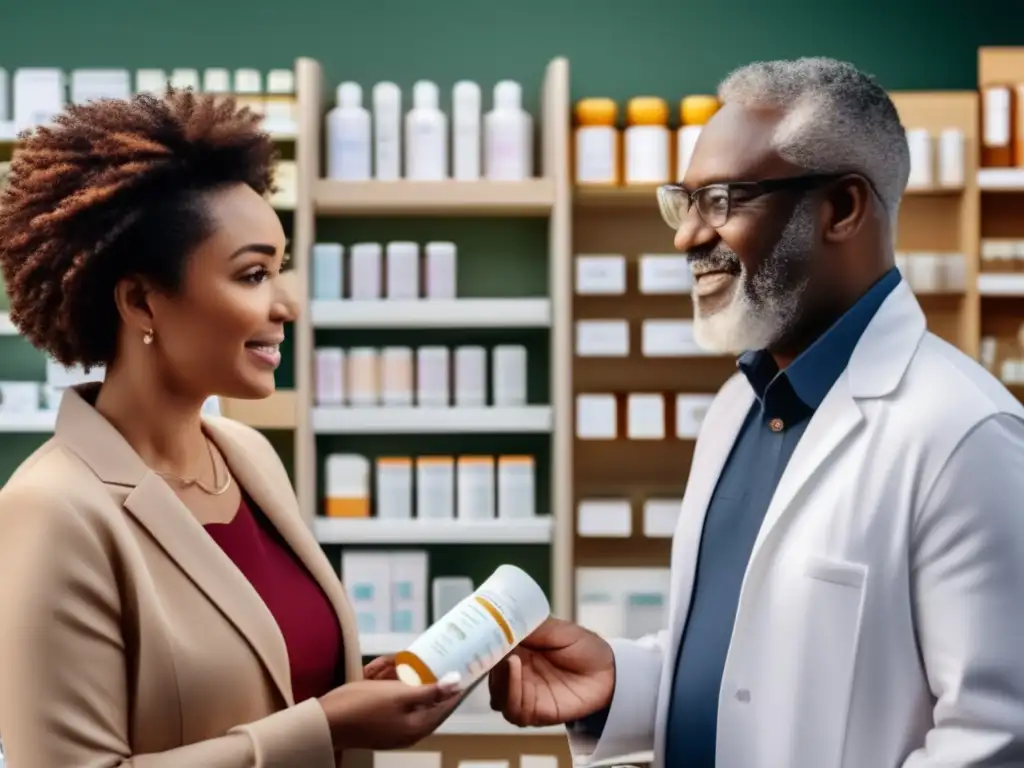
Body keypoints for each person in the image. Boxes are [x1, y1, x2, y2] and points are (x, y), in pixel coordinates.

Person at [488, 57, 1024, 767]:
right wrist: (625, 682)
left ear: (841, 208)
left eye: (723, 200)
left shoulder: (963, 436)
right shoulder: (741, 402)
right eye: (685, 202)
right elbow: (758, 667)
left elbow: (995, 739)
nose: (686, 237)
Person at [0, 89, 460, 768]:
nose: (288, 304)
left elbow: (269, 677)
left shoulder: (247, 455)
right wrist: (322, 727)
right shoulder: (53, 508)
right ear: (139, 301)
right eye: (253, 274)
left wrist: (354, 693)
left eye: (281, 270)